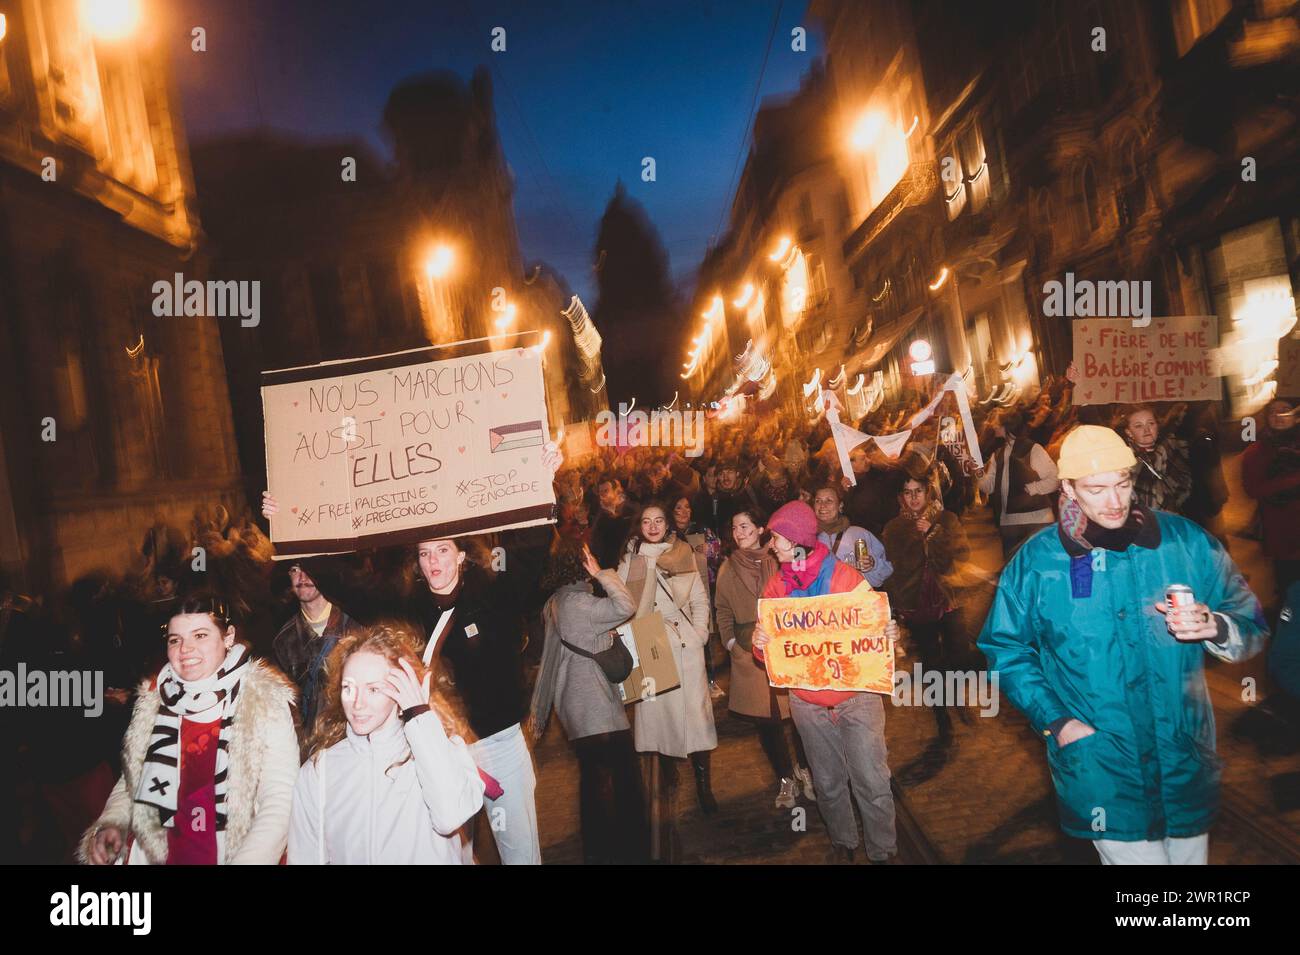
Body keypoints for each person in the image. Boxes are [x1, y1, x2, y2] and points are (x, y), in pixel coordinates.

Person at [978, 425, 1267, 865]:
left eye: (1123, 484)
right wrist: (1057, 722)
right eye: (1097, 489)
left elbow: (1251, 620)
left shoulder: (1184, 542)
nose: (1114, 502)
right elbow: (1005, 649)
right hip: (1102, 768)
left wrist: (1219, 627)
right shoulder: (1038, 562)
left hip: (1182, 757)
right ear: (1069, 490)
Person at [79, 593, 298, 865]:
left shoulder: (263, 700)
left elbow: (279, 800)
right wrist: (114, 821)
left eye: (200, 635)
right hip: (165, 855)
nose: (185, 649)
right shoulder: (155, 699)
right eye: (175, 640)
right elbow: (133, 777)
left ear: (228, 637)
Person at [752, 501, 902, 864]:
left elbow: (876, 631)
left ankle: (883, 851)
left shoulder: (844, 578)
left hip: (857, 699)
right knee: (829, 783)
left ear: (797, 540)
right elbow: (772, 659)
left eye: (778, 539)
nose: (773, 545)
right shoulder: (776, 589)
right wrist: (761, 646)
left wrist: (888, 632)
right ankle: (844, 842)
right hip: (808, 705)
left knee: (872, 781)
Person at [288, 626, 485, 864]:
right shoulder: (319, 771)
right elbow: (306, 856)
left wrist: (420, 716)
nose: (357, 703)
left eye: (373, 689)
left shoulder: (438, 753)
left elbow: (450, 815)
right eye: (348, 688)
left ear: (401, 692)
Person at [529, 540, 648, 863]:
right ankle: (623, 851)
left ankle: (601, 850)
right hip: (593, 705)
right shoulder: (579, 603)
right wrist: (602, 573)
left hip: (575, 705)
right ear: (580, 564)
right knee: (616, 780)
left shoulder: (557, 601)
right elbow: (626, 605)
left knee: (595, 779)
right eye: (588, 558)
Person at [618, 502, 719, 814]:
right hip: (648, 638)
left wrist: (700, 632)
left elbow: (700, 599)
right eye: (646, 521)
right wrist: (645, 566)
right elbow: (623, 605)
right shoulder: (630, 559)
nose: (652, 526)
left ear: (668, 524)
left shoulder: (683, 552)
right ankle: (667, 776)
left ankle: (704, 785)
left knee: (697, 717)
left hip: (684, 641)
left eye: (658, 520)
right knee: (658, 718)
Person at [714, 508, 814, 809]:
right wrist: (732, 643)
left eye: (745, 526)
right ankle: (784, 777)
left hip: (785, 649)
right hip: (751, 655)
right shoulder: (727, 568)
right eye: (734, 528)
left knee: (799, 717)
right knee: (767, 723)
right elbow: (722, 611)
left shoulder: (780, 559)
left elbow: (803, 589)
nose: (739, 532)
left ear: (761, 530)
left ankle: (805, 769)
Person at [882, 474, 971, 739]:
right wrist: (895, 604)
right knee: (931, 660)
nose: (913, 498)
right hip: (916, 602)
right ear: (901, 496)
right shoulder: (895, 528)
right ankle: (941, 714)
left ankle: (957, 697)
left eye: (918, 491)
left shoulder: (946, 519)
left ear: (928, 492)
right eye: (907, 492)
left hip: (948, 596)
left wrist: (933, 533)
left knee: (958, 654)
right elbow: (892, 569)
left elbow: (962, 554)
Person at [273, 563, 354, 739]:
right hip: (308, 744)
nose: (302, 577)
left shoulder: (356, 627)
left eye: (309, 568)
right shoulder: (283, 640)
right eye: (295, 570)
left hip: (351, 736)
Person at [1241, 398, 1300, 612]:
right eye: (1273, 412)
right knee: (1290, 583)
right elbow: (1253, 489)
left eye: (1285, 410)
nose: (1279, 415)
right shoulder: (1257, 451)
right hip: (1283, 530)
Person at [977, 407, 1059, 558]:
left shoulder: (1032, 449)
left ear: (1006, 425)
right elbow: (988, 487)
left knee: (1039, 570)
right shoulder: (999, 453)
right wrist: (978, 471)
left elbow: (1054, 479)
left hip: (1036, 522)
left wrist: (1032, 488)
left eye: (996, 422)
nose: (992, 425)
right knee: (1015, 574)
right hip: (1009, 525)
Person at [671, 494, 725, 700]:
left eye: (687, 507)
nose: (684, 512)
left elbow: (718, 550)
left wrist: (710, 549)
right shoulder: (668, 534)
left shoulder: (700, 529)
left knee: (705, 638)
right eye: (678, 508)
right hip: (677, 597)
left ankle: (709, 680)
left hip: (702, 592)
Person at [812, 485, 892, 588]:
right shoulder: (806, 539)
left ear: (840, 506)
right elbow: (796, 572)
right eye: (818, 501)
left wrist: (873, 564)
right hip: (821, 601)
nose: (822, 505)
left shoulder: (858, 534)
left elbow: (886, 572)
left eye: (829, 501)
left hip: (854, 600)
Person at [1121, 405, 1192, 514]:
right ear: (1129, 432)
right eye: (1138, 426)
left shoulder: (1171, 448)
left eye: (1151, 423)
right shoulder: (1125, 460)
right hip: (1144, 521)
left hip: (1176, 517)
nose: (1146, 429)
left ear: (1157, 426)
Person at [841, 446, 902, 538]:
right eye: (862, 459)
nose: (868, 461)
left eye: (866, 457)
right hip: (865, 532)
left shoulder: (876, 475)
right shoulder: (849, 484)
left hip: (882, 529)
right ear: (852, 464)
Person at [590, 476, 639, 570]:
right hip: (609, 567)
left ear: (617, 491)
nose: (601, 495)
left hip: (629, 564)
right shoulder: (601, 515)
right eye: (600, 492)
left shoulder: (632, 511)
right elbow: (596, 543)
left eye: (605, 491)